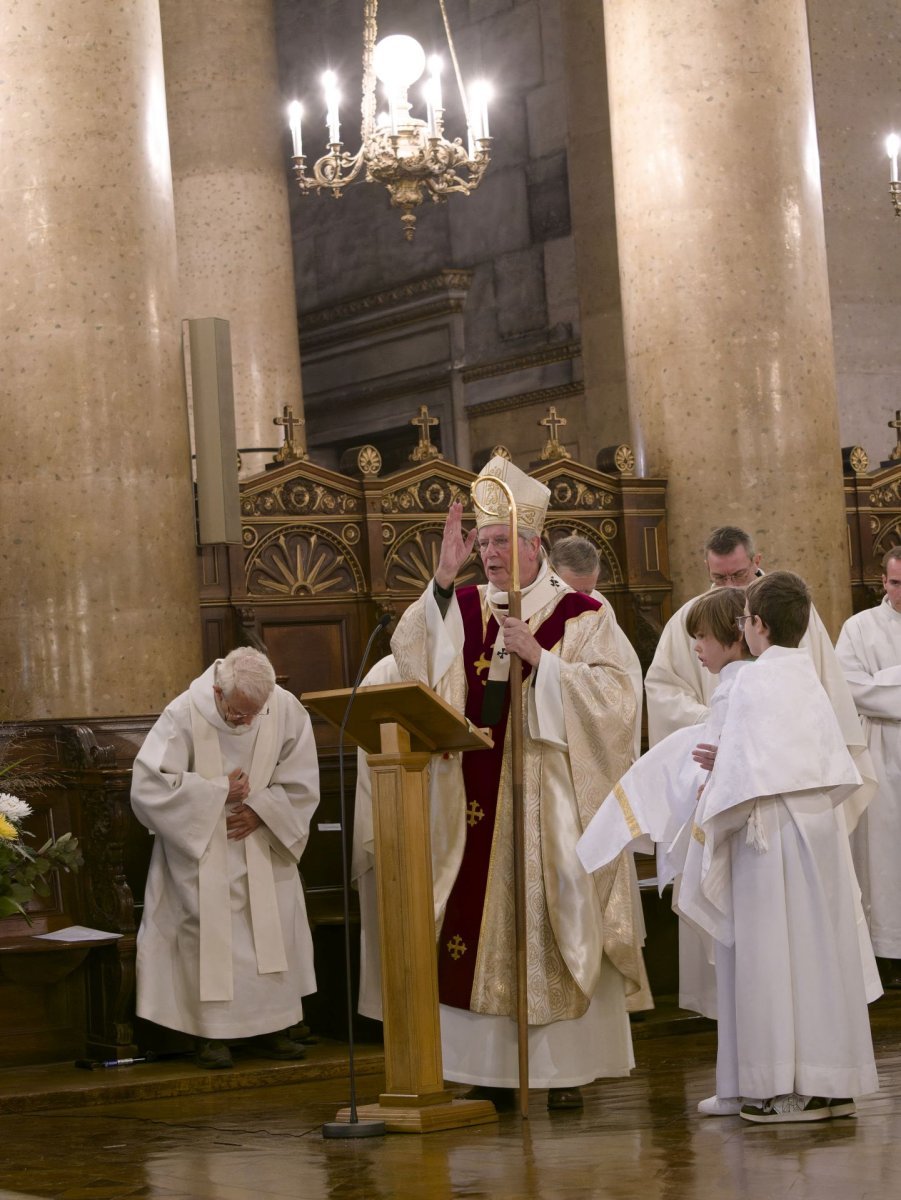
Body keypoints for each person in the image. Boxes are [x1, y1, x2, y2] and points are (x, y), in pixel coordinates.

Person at [390, 456, 648, 1111]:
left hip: (547, 802)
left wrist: (544, 665)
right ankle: (487, 1070)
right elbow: (414, 661)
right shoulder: (465, 604)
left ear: (535, 545)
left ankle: (563, 1070)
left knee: (552, 914)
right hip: (470, 799)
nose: (491, 553)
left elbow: (620, 700)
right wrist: (442, 578)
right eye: (483, 541)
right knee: (469, 923)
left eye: (502, 540)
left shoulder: (583, 614)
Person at [644, 525, 873, 1017]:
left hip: (791, 794)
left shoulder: (791, 615)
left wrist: (743, 735)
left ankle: (801, 1021)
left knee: (797, 922)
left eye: (739, 575)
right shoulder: (692, 618)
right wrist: (714, 726)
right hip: (729, 788)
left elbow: (825, 696)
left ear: (757, 561)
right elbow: (661, 688)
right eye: (719, 577)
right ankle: (744, 1022)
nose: (730, 588)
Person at [682, 573, 879, 1123]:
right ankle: (826, 1084)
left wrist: (718, 780)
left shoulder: (751, 682)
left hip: (769, 838)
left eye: (745, 619)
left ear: (758, 625)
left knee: (774, 960)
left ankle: (784, 1087)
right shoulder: (805, 675)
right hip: (814, 829)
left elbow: (742, 771)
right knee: (818, 956)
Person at [131, 647, 320, 1069]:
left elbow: (303, 779)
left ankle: (274, 1027)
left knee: (269, 933)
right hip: (202, 844)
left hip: (263, 838)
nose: (247, 722)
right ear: (218, 691)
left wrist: (261, 810)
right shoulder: (183, 713)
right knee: (207, 933)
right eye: (238, 713)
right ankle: (210, 1036)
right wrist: (217, 791)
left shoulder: (284, 708)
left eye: (255, 714)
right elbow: (147, 788)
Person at [836, 548, 901, 987]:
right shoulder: (858, 628)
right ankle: (891, 952)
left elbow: (875, 685)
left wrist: (888, 677)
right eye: (896, 583)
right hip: (882, 747)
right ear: (883, 581)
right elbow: (853, 688)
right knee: (885, 855)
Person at [548, 535, 644, 761]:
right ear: (551, 574)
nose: (582, 601)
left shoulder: (598, 606)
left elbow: (625, 672)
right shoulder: (536, 603)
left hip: (588, 716)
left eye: (588, 591)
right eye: (573, 591)